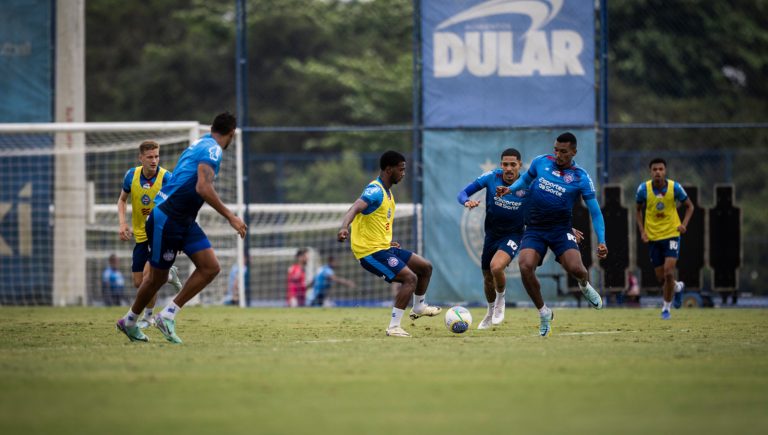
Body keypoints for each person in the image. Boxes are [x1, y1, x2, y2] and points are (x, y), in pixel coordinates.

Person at [116, 112, 247, 343]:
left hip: (184, 220)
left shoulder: (201, 143)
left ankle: (167, 315)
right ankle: (129, 321)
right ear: (232, 133)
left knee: (210, 267)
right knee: (155, 279)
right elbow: (203, 188)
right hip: (167, 217)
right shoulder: (213, 149)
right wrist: (231, 217)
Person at [496, 132, 607, 336]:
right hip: (535, 229)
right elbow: (525, 182)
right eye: (556, 149)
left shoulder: (581, 177)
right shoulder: (541, 162)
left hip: (560, 229)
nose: (558, 154)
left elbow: (595, 212)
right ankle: (544, 312)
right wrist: (510, 189)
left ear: (574, 152)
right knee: (525, 265)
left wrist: (602, 241)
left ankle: (584, 285)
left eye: (563, 151)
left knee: (577, 269)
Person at [337, 150, 441, 337]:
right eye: (401, 170)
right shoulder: (375, 191)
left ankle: (418, 307)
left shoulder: (388, 193)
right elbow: (355, 207)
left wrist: (386, 240)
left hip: (384, 247)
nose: (403, 173)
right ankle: (394, 327)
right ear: (388, 169)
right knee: (410, 279)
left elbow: (376, 221)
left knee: (425, 267)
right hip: (369, 253)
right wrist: (344, 227)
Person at [457, 148, 530, 329]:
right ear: (501, 165)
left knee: (496, 267)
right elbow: (462, 193)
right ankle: (490, 313)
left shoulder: (528, 183)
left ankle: (500, 303)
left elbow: (547, 207)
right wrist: (467, 201)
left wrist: (566, 226)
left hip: (513, 234)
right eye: (505, 164)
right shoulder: (491, 177)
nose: (508, 168)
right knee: (487, 278)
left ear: (519, 165)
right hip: (491, 235)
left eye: (513, 164)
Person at [117, 140, 183, 328]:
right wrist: (122, 223)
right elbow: (122, 200)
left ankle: (148, 317)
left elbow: (178, 207)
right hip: (140, 235)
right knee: (139, 283)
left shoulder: (166, 178)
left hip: (159, 233)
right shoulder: (131, 175)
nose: (154, 160)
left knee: (148, 278)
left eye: (156, 156)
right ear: (141, 158)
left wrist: (178, 236)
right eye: (150, 157)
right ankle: (168, 275)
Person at [635, 157, 694, 320]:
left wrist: (684, 224)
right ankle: (677, 287)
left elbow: (690, 206)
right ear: (650, 172)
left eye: (661, 169)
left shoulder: (675, 188)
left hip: (671, 234)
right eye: (655, 169)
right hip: (654, 237)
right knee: (661, 278)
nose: (658, 172)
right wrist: (642, 231)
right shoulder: (643, 189)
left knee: (669, 272)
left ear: (665, 171)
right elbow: (638, 210)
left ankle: (665, 308)